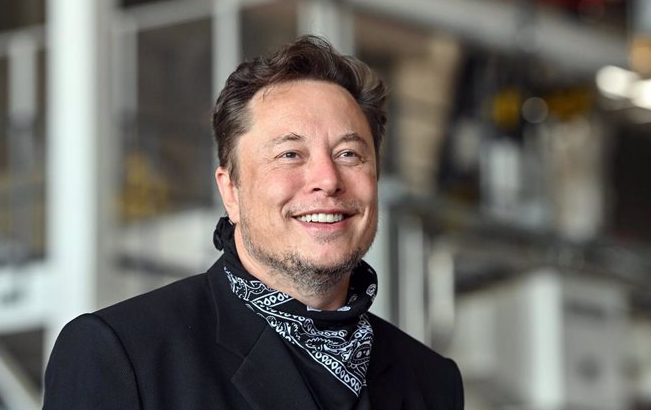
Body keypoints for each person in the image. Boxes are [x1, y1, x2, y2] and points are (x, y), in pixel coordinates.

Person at [43, 35, 464, 409]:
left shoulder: (432, 381)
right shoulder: (121, 354)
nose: (327, 180)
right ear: (231, 191)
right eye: (290, 154)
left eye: (349, 154)